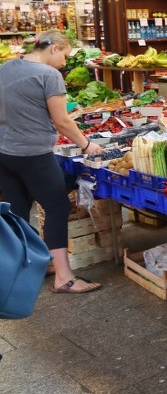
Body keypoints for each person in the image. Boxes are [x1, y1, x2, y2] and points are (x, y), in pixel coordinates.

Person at [0, 31, 104, 294]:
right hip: (34, 153)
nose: (65, 63)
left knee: (19, 210)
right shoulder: (49, 75)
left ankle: (28, 266)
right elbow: (62, 120)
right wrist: (86, 144)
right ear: (54, 48)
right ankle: (64, 278)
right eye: (65, 56)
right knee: (57, 207)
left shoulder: (7, 66)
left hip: (5, 152)